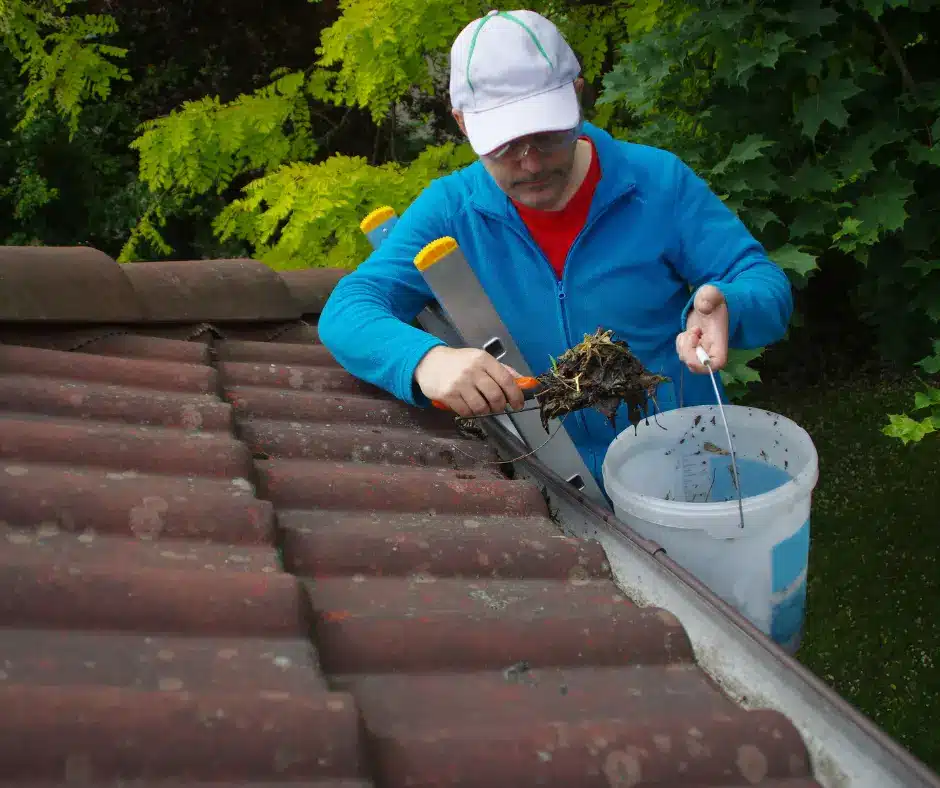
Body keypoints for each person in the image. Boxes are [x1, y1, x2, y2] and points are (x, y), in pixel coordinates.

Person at [318, 9, 793, 487]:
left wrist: (731, 305)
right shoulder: (450, 212)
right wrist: (425, 360)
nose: (529, 163)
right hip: (555, 481)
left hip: (687, 460)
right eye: (503, 146)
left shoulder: (657, 184)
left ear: (577, 95)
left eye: (546, 136)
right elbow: (350, 307)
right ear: (462, 125)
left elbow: (764, 282)